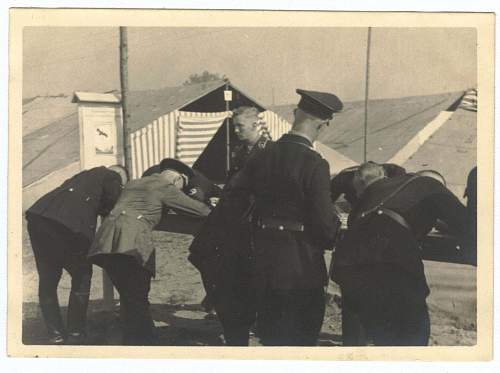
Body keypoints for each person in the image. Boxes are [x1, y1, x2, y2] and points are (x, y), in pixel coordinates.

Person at [221, 89, 343, 346]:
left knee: (272, 337)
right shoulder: (315, 163)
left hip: (263, 261)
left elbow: (234, 197)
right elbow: (324, 226)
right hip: (301, 266)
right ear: (324, 124)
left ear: (295, 114)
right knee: (301, 339)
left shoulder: (261, 155)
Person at [331, 162, 469, 346]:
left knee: (373, 336)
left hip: (350, 265)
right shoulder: (431, 185)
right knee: (412, 336)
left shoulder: (384, 187)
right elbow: (467, 224)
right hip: (394, 263)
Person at [88, 158, 212, 345]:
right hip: (131, 243)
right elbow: (201, 211)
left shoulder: (133, 183)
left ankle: (133, 340)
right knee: (137, 297)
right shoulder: (165, 187)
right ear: (178, 180)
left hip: (106, 242)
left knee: (130, 296)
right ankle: (145, 343)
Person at [188, 106, 272, 345]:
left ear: (256, 125)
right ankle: (223, 309)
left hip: (248, 225)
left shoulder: (268, 151)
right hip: (230, 220)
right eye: (234, 126)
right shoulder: (240, 151)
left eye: (240, 126)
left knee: (239, 280)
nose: (235, 131)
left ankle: (240, 324)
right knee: (201, 254)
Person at [25, 165, 128, 344]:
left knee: (48, 279)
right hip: (70, 227)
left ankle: (55, 334)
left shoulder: (84, 176)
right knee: (82, 276)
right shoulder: (112, 175)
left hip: (39, 218)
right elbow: (114, 204)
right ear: (120, 176)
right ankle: (75, 333)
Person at [329, 162, 406, 346]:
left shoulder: (398, 176)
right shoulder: (343, 179)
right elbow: (325, 200)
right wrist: (337, 215)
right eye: (359, 190)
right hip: (357, 224)